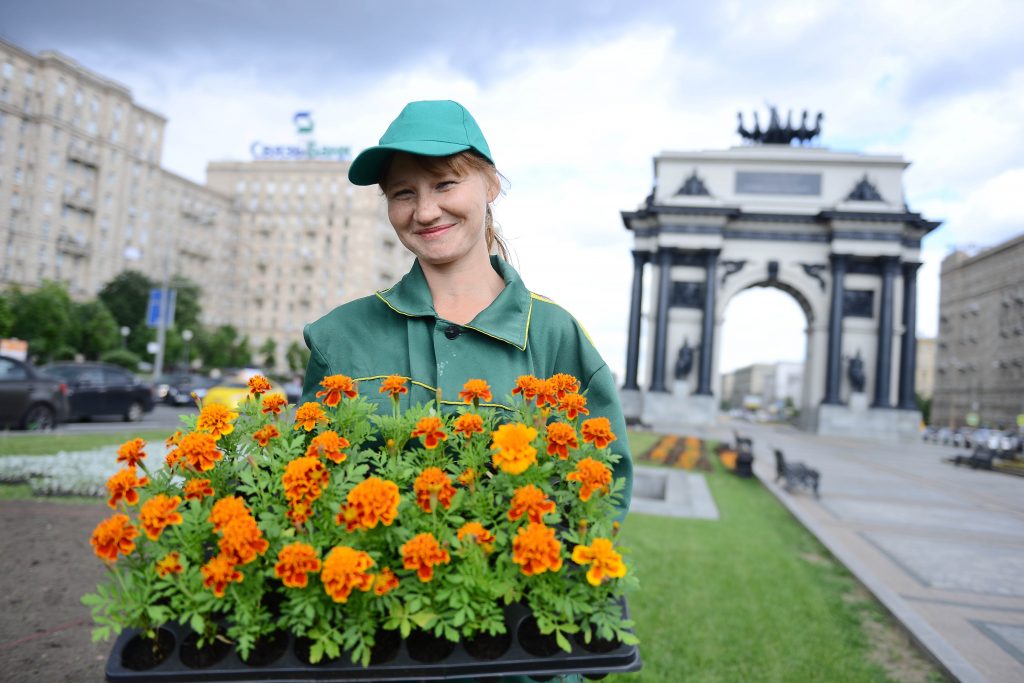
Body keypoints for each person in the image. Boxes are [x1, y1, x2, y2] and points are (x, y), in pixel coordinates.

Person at [300, 99, 632, 514]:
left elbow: (598, 500)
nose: (424, 211)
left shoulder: (555, 336)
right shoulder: (338, 335)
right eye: (404, 193)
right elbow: (308, 493)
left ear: (491, 183)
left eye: (444, 184)